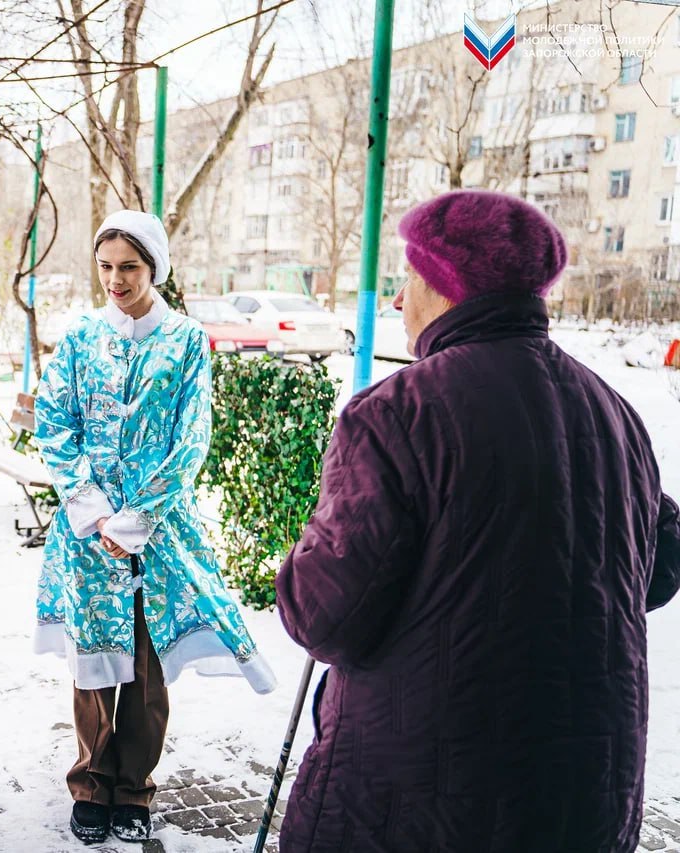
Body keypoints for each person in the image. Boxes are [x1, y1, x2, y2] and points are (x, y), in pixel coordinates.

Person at [275, 190, 680, 852]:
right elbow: (658, 570)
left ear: (446, 285)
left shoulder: (395, 413)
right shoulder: (615, 414)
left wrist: (302, 561)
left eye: (408, 278)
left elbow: (326, 617)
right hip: (585, 800)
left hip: (419, 804)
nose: (399, 301)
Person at [33, 210, 278, 845]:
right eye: (106, 266)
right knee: (93, 662)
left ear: (155, 268)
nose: (116, 279)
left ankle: (134, 787)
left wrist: (137, 518)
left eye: (130, 268)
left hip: (159, 531)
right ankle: (89, 782)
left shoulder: (187, 340)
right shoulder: (81, 336)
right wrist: (92, 512)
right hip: (87, 534)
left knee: (147, 667)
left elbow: (191, 437)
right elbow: (54, 425)